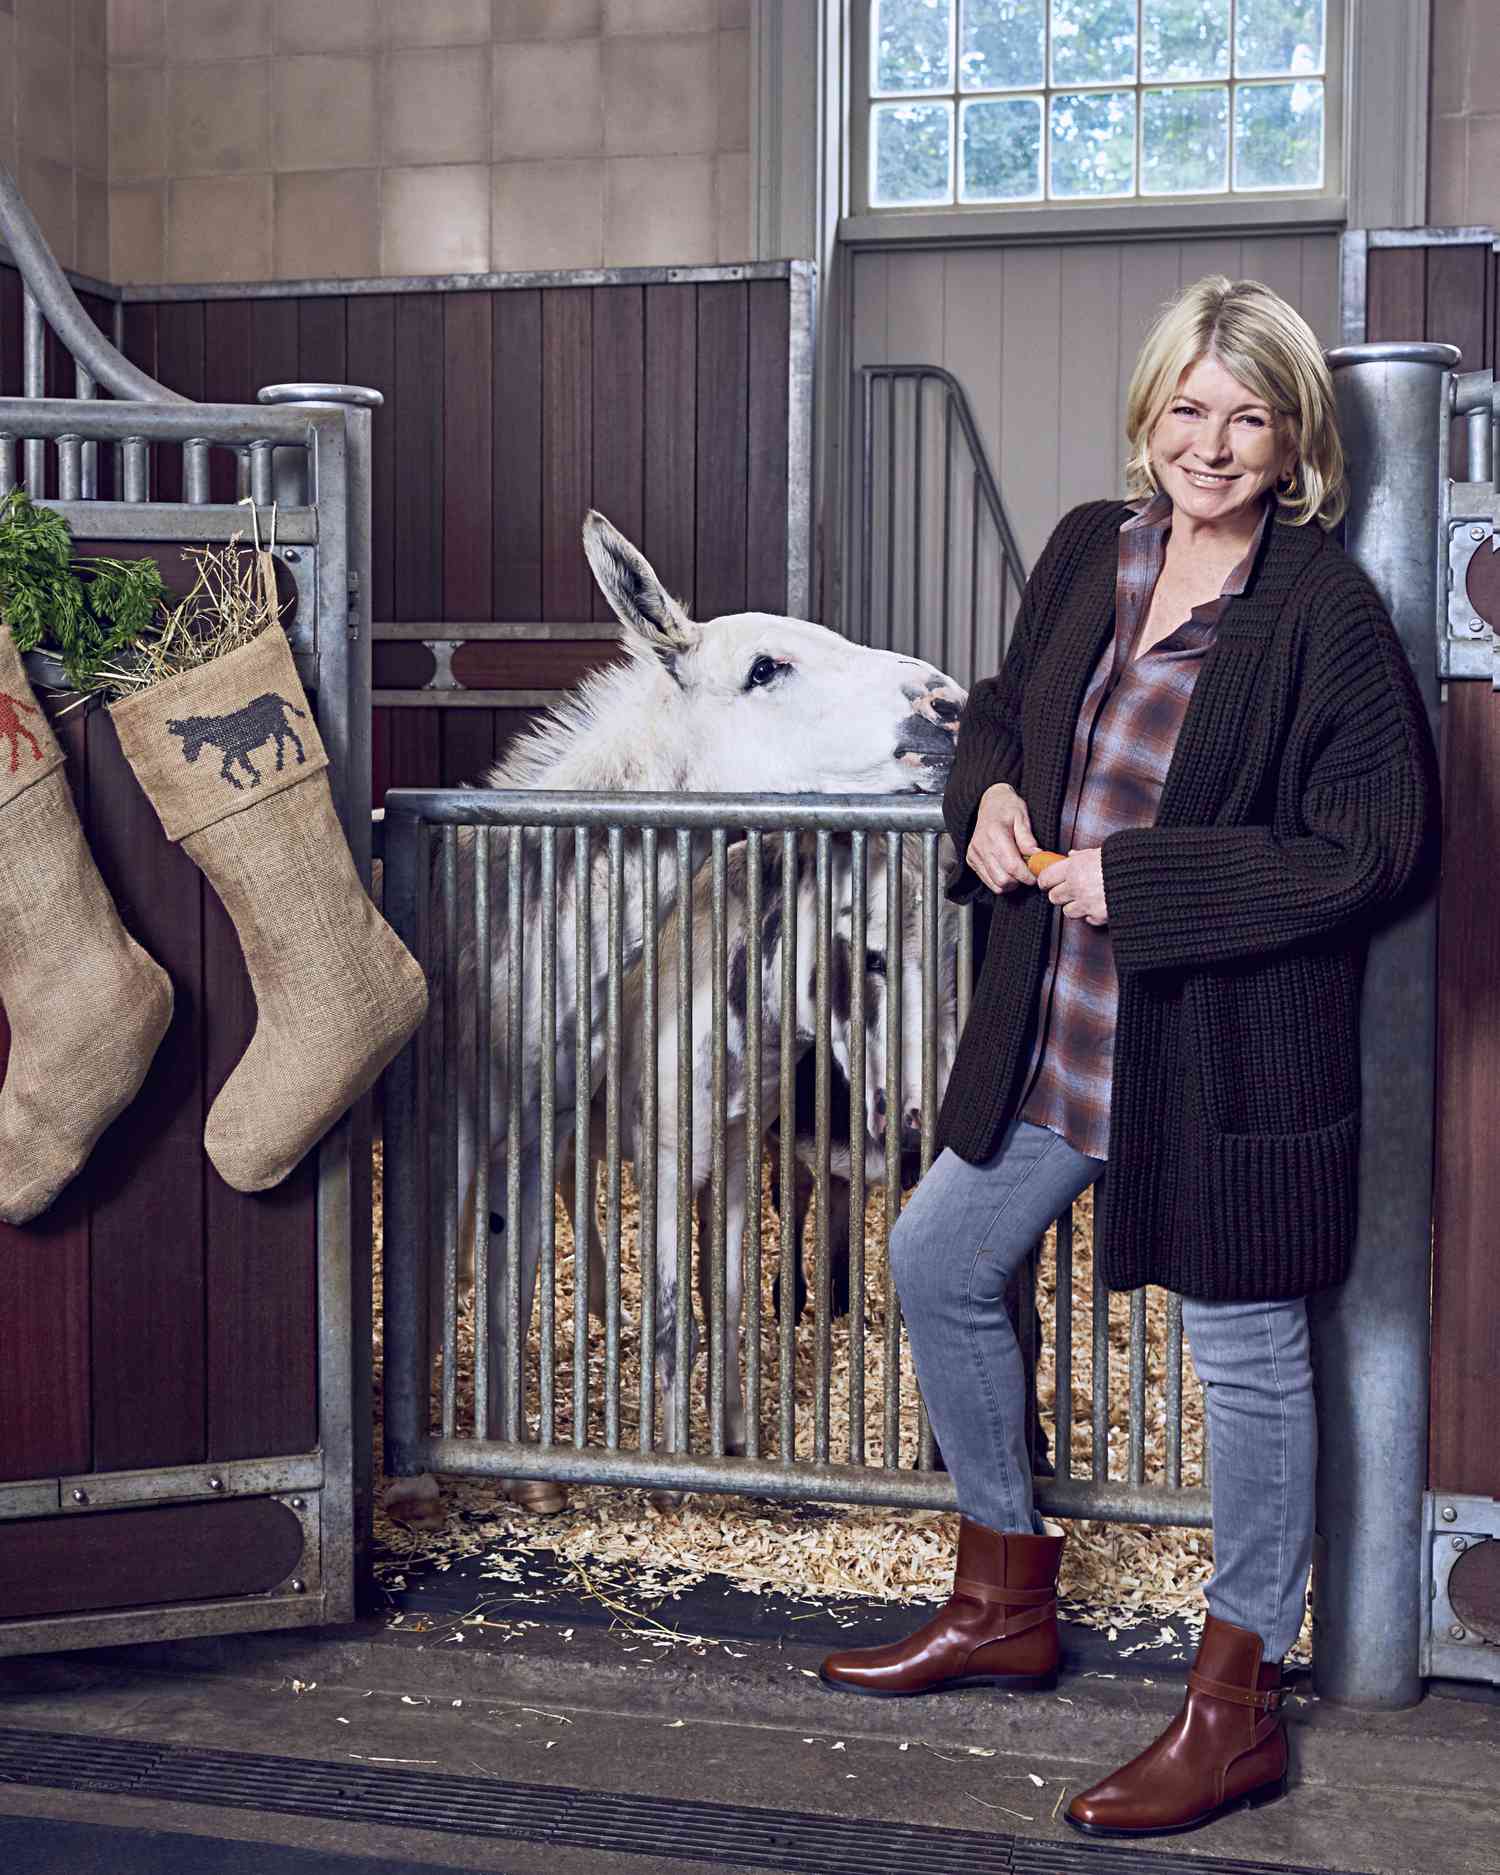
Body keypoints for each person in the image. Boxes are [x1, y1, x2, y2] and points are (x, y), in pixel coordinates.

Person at [818, 276, 1441, 1839]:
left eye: (1248, 416)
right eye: (1187, 407)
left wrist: (1148, 880)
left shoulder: (1323, 612)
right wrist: (987, 806)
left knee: (1244, 1360)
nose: (1210, 444)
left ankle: (1233, 1707)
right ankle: (1004, 1593)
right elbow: (1004, 719)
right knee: (938, 1256)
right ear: (1150, 412)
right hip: (1056, 1024)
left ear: (1295, 440)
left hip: (1220, 1055)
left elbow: (1379, 847)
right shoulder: (1095, 546)